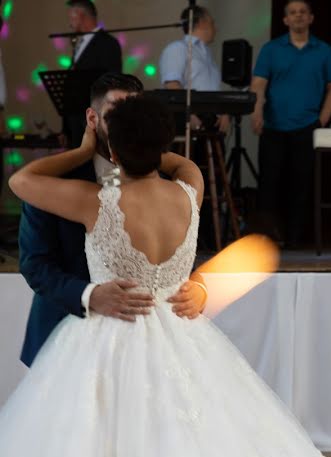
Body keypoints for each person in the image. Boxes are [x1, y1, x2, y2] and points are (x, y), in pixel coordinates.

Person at [0, 95, 331, 457]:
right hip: (182, 331)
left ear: (113, 149)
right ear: (163, 145)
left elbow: (21, 180)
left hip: (109, 332)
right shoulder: (191, 188)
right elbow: (177, 163)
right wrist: (152, 146)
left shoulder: (93, 201)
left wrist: (86, 148)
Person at [17, 72, 207, 367]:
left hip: (165, 348)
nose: (128, 122)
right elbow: (35, 264)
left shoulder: (170, 182)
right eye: (117, 115)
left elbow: (183, 251)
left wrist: (199, 287)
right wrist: (88, 295)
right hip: (67, 340)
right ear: (91, 118)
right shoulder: (57, 181)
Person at [250, 0, 331, 247]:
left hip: (307, 127)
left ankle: (296, 240)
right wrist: (256, 113)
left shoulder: (324, 51)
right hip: (274, 127)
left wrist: (321, 120)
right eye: (293, 12)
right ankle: (265, 240)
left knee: (302, 185)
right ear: (285, 20)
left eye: (303, 11)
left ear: (311, 18)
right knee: (269, 185)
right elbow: (258, 84)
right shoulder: (271, 49)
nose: (298, 15)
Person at [159, 5, 230, 134]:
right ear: (202, 23)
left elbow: (212, 88)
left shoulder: (207, 54)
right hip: (189, 119)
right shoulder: (178, 48)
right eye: (212, 23)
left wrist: (223, 112)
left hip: (211, 122)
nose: (215, 28)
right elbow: (172, 85)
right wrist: (188, 115)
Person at [63, 0, 122, 146]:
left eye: (72, 17)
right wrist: (65, 128)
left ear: (82, 16)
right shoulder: (79, 44)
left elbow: (111, 83)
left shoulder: (107, 43)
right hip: (76, 122)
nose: (70, 23)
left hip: (93, 122)